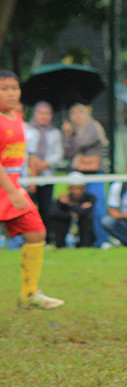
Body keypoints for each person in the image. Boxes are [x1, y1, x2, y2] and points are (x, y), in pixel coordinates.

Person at [0, 69, 64, 309]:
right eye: (4, 88)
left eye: (14, 88)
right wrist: (14, 191)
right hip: (7, 190)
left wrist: (24, 181)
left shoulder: (16, 118)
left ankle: (29, 294)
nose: (11, 93)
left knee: (37, 233)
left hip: (14, 189)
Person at [63, 102, 111, 248]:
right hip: (78, 175)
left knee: (97, 207)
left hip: (95, 173)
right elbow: (67, 153)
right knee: (77, 208)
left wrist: (69, 134)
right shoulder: (71, 131)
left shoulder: (92, 126)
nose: (77, 116)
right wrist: (67, 136)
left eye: (80, 112)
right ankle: (83, 241)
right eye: (73, 113)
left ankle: (103, 240)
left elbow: (82, 144)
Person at [24, 101, 64, 243]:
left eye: (47, 113)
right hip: (28, 176)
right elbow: (25, 152)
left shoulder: (55, 132)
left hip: (47, 175)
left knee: (46, 208)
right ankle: (28, 238)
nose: (44, 116)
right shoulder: (26, 129)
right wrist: (33, 165)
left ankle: (45, 238)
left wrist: (45, 163)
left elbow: (58, 154)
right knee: (27, 209)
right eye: (41, 112)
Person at [48, 171, 97, 248]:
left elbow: (85, 212)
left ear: (84, 188)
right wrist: (71, 214)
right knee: (59, 220)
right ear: (69, 189)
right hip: (67, 225)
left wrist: (69, 204)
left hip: (83, 227)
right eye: (74, 188)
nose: (77, 191)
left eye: (80, 188)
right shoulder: (62, 200)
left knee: (86, 219)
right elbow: (53, 213)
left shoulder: (90, 198)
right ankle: (61, 244)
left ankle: (85, 244)